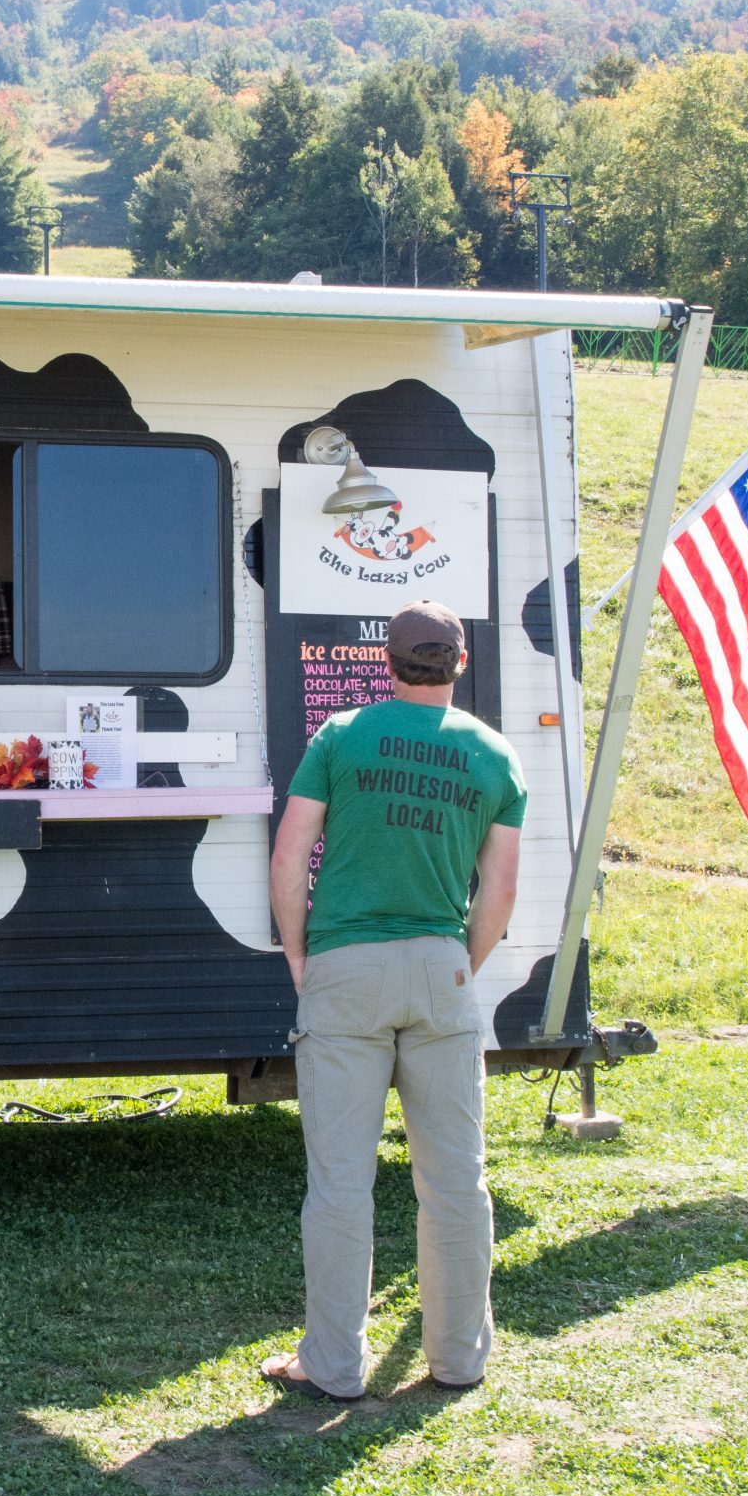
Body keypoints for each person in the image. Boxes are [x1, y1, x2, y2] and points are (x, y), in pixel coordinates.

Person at [260, 599, 526, 1401]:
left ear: (387, 662)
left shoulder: (341, 734)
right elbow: (500, 893)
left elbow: (289, 851)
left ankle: (334, 1365)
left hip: (345, 966)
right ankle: (458, 1360)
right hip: (441, 969)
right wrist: (456, 962)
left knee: (340, 1178)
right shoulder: (494, 754)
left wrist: (302, 956)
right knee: (456, 1179)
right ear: (460, 663)